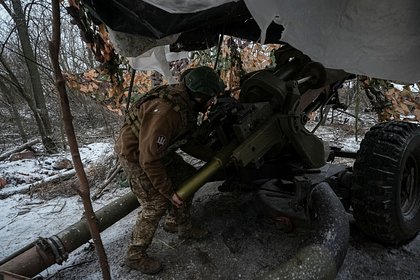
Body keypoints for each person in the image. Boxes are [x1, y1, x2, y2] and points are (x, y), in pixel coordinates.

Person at [114, 66, 225, 275]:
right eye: (211, 97)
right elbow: (148, 159)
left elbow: (186, 141)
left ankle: (179, 224)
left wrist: (214, 158)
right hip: (136, 156)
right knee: (156, 203)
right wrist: (169, 192)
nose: (213, 101)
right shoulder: (166, 112)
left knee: (189, 177)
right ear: (199, 96)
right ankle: (135, 255)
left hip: (155, 152)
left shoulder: (184, 104)